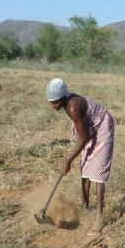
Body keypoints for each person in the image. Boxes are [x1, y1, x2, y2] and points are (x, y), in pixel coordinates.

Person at [46, 78, 115, 235]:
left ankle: (99, 218)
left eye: (55, 102)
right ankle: (85, 207)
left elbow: (83, 138)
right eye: (51, 102)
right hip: (91, 125)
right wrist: (72, 159)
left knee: (97, 171)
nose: (53, 106)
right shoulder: (67, 103)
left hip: (103, 126)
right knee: (85, 168)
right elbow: (83, 135)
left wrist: (68, 160)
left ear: (63, 97)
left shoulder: (72, 107)